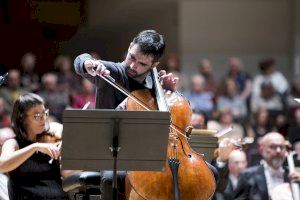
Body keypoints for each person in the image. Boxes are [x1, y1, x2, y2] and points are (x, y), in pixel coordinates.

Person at [74, 30, 224, 199]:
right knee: (111, 179)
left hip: (153, 152)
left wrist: (169, 93)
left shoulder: (155, 84)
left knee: (210, 173)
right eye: (132, 57)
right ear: (130, 46)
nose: (133, 66)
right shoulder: (111, 72)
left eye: (142, 64)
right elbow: (80, 60)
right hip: (115, 152)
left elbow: (173, 118)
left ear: (154, 64)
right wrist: (88, 63)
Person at [0, 93, 69, 199]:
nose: (43, 119)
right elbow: (2, 165)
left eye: (44, 113)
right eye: (37, 116)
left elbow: (67, 175)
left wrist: (71, 152)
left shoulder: (50, 140)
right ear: (22, 118)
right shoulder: (13, 143)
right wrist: (34, 147)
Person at [234, 132, 300, 200]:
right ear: (261, 150)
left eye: (281, 147)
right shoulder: (247, 176)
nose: (278, 151)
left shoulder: (294, 175)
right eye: (272, 147)